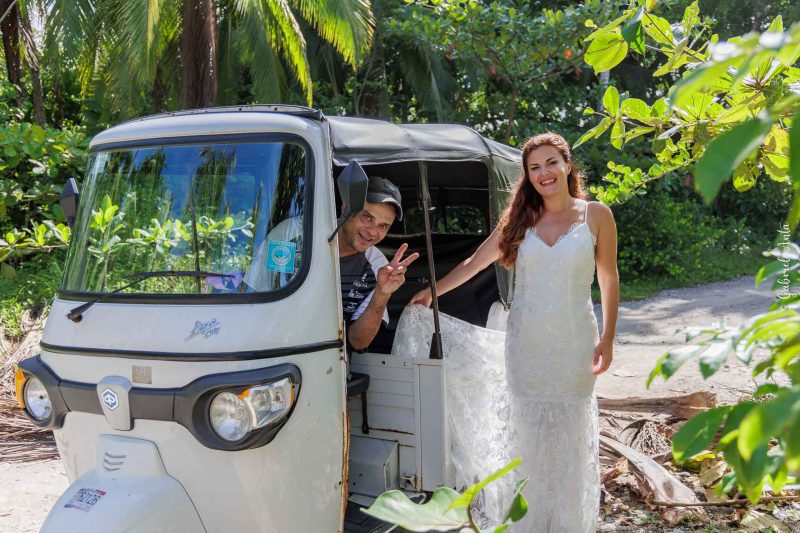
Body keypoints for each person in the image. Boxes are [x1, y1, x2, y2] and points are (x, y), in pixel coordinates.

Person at [409, 132, 619, 532]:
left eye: (551, 163)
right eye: (534, 167)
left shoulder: (596, 215)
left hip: (575, 343)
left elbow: (608, 278)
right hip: (526, 345)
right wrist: (432, 293)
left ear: (567, 164)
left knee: (569, 440)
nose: (544, 173)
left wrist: (607, 338)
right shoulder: (520, 221)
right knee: (528, 439)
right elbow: (474, 263)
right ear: (527, 175)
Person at [340, 176, 419, 352]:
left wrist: (382, 294)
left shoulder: (378, 266)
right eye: (367, 217)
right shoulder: (295, 236)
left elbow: (357, 342)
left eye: (383, 226)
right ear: (346, 209)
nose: (372, 232)